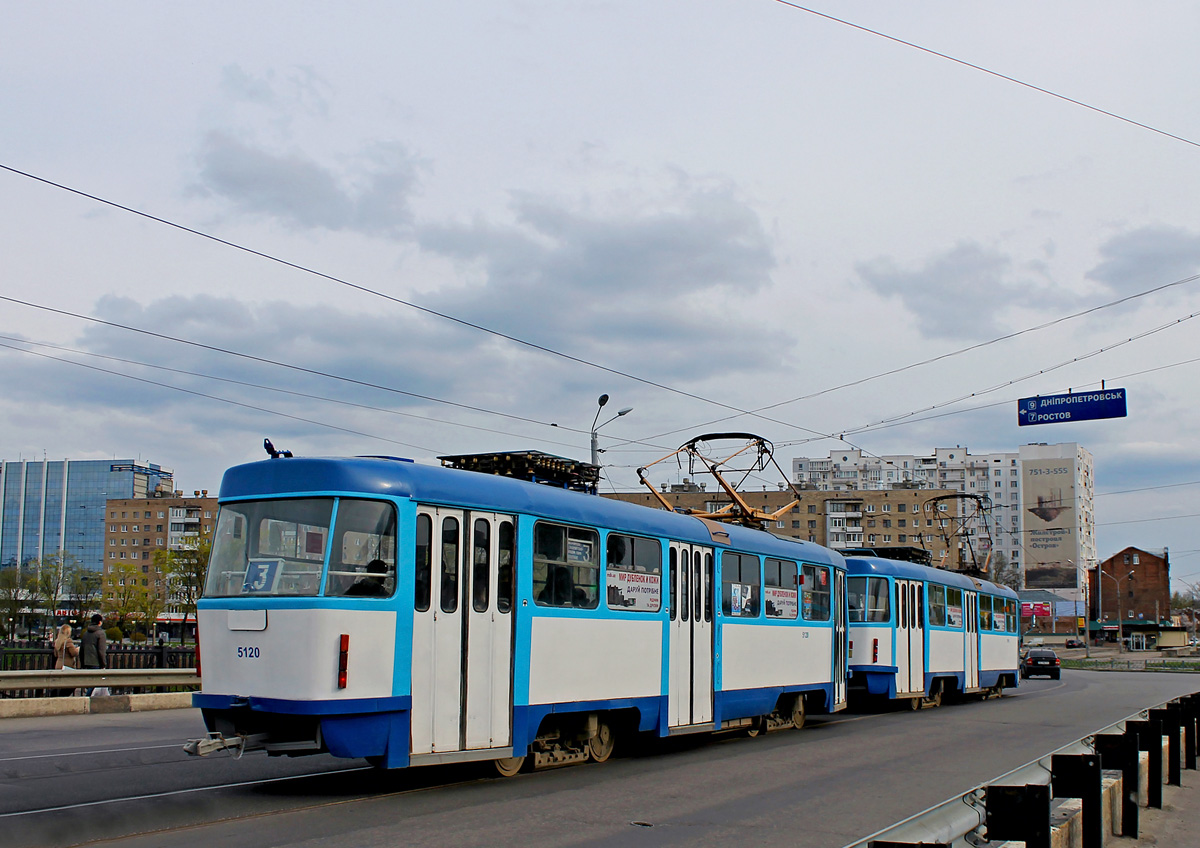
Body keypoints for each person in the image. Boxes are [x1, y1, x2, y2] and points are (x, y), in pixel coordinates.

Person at [79, 614, 107, 695]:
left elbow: (82, 649)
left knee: (90, 683)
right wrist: (103, 664)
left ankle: (87, 698)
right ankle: (86, 699)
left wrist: (82, 662)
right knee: (95, 683)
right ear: (99, 622)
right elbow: (101, 650)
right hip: (96, 662)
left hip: (86, 661)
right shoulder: (100, 633)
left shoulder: (86, 633)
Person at [53, 623, 79, 697]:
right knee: (72, 684)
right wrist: (77, 649)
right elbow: (73, 653)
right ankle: (62, 697)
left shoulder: (57, 641)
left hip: (58, 664)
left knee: (59, 684)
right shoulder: (68, 641)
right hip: (67, 665)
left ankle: (57, 697)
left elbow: (56, 654)